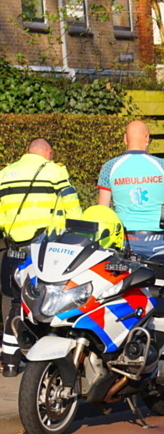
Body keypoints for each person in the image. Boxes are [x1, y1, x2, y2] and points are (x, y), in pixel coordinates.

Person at [0, 138, 82, 377]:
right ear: (48, 153)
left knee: (16, 300)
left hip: (14, 246)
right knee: (49, 302)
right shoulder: (54, 171)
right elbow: (73, 208)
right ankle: (44, 358)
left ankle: (10, 361)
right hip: (45, 248)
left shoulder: (5, 173)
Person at [98, 120, 164, 259]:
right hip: (159, 241)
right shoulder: (163, 166)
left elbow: (103, 210)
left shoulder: (109, 167)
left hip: (124, 240)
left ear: (125, 138)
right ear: (147, 138)